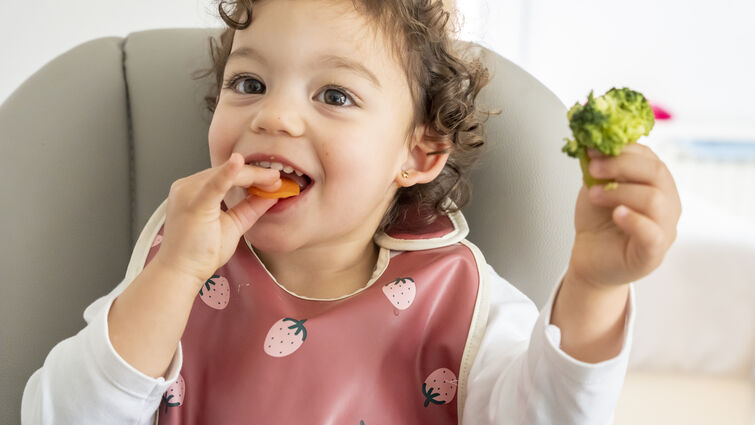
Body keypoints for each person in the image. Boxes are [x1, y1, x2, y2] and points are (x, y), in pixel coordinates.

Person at [21, 0, 682, 423]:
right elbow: (57, 415)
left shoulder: (458, 297)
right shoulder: (177, 264)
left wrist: (595, 288)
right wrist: (171, 277)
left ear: (419, 153)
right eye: (248, 84)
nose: (273, 115)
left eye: (334, 94)